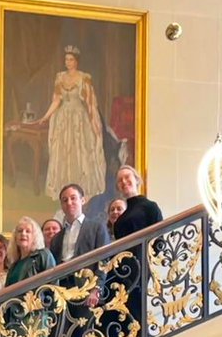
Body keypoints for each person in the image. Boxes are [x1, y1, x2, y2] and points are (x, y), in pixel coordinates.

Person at [37, 46, 107, 201]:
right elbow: (56, 100)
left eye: (71, 60)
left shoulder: (84, 78)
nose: (68, 62)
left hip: (79, 119)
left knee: (80, 151)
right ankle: (64, 190)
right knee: (63, 152)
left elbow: (89, 103)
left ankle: (82, 189)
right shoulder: (60, 77)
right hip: (64, 119)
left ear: (76, 61)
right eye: (66, 59)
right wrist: (46, 116)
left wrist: (94, 122)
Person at [51, 183, 110, 262]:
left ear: (82, 200)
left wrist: (98, 274)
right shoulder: (56, 238)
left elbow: (104, 258)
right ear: (61, 205)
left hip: (88, 273)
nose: (69, 203)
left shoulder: (97, 228)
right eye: (65, 200)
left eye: (73, 198)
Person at [112, 165, 163, 238]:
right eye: (120, 180)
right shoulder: (119, 222)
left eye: (127, 177)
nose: (123, 181)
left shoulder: (150, 207)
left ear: (136, 180)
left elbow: (159, 238)